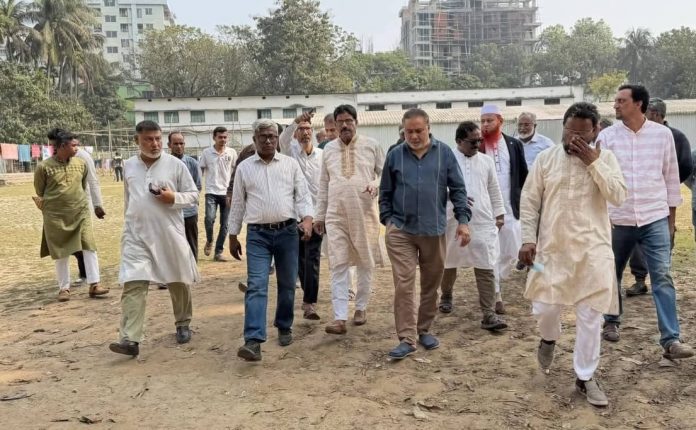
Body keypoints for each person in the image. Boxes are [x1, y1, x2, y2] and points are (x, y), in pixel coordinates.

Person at [519, 102, 627, 407]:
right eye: (570, 131)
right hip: (551, 250)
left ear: (596, 131)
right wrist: (527, 239)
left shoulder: (606, 159)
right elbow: (529, 201)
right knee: (544, 308)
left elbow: (618, 196)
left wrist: (594, 163)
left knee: (591, 315)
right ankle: (549, 337)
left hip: (593, 252)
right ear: (563, 128)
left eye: (582, 133)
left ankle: (585, 376)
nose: (575, 138)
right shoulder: (546, 159)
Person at [600, 84, 693, 360]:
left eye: (621, 101)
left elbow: (671, 178)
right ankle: (611, 320)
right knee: (611, 273)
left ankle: (671, 339)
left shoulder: (662, 135)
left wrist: (671, 222)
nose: (615, 105)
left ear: (639, 103)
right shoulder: (607, 137)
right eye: (616, 101)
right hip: (618, 218)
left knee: (662, 276)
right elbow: (599, 180)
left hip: (654, 217)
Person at [380, 109, 472, 359]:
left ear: (429, 128)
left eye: (418, 131)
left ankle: (424, 330)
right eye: (408, 131)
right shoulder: (395, 155)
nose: (413, 136)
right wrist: (388, 220)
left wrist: (463, 221)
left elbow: (458, 190)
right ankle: (407, 338)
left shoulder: (444, 154)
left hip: (433, 230)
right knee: (404, 283)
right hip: (401, 230)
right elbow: (385, 191)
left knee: (431, 283)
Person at [109, 121, 199, 357]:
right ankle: (130, 338)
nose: (155, 144)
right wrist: (128, 224)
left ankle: (183, 323)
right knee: (133, 282)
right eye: (148, 139)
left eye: (158, 138)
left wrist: (173, 198)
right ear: (137, 141)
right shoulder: (129, 165)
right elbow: (129, 199)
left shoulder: (175, 165)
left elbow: (193, 195)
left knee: (178, 279)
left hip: (168, 232)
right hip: (136, 234)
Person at [228, 119, 314, 361]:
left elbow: (302, 196)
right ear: (254, 140)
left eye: (272, 136)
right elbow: (238, 204)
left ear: (278, 139)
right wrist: (232, 236)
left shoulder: (290, 165)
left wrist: (307, 219)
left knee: (287, 284)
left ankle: (284, 325)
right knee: (256, 285)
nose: (268, 141)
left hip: (287, 233)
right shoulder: (244, 168)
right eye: (263, 136)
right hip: (258, 235)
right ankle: (253, 340)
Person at [315, 104, 385, 335]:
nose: (345, 125)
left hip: (364, 213)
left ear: (356, 122)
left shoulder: (371, 145)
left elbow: (384, 174)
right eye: (340, 122)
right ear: (334, 125)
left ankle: (361, 307)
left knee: (365, 261)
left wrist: (375, 184)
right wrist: (319, 216)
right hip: (335, 214)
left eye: (349, 121)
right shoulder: (328, 150)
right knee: (338, 263)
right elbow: (323, 184)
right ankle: (339, 317)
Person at [439, 121, 508, 331]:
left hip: (482, 220)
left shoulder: (486, 161)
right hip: (452, 219)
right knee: (449, 261)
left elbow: (494, 189)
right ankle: (446, 295)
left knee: (486, 264)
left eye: (479, 140)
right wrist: (450, 195)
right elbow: (436, 187)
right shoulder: (446, 159)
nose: (478, 144)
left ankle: (489, 314)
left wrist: (499, 214)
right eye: (473, 141)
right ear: (459, 141)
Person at [625, 97, 693, 297]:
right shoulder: (637, 135)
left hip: (663, 200)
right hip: (638, 199)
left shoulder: (676, 137)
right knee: (636, 238)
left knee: (664, 236)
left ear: (655, 114)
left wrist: (666, 184)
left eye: (645, 112)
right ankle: (640, 280)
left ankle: (662, 278)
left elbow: (686, 166)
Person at [34, 131, 109, 302]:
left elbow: (84, 185)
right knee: (61, 251)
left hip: (80, 212)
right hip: (55, 216)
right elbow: (40, 190)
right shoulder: (43, 167)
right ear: (62, 146)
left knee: (89, 246)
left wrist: (97, 205)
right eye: (73, 145)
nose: (76, 148)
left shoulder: (81, 163)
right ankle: (64, 288)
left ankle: (95, 284)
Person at [479, 105, 528, 314]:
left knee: (512, 252)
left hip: (511, 208)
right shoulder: (477, 145)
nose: (485, 125)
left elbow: (523, 176)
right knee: (491, 253)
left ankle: (497, 279)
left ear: (500, 121)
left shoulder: (514, 144)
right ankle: (496, 294)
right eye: (482, 121)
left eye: (489, 120)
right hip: (486, 211)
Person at [280, 112, 324, 320]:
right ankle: (307, 298)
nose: (305, 132)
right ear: (296, 134)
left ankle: (309, 303)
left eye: (308, 129)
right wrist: (296, 121)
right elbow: (283, 138)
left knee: (312, 259)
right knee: (299, 259)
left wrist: (322, 215)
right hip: (295, 215)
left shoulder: (322, 156)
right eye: (301, 129)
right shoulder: (290, 152)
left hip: (316, 215)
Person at [200, 126, 238, 262]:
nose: (223, 139)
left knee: (225, 224)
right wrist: (197, 186)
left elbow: (236, 171)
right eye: (220, 137)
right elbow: (201, 169)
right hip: (211, 191)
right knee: (209, 219)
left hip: (227, 193)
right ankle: (209, 240)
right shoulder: (206, 153)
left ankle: (218, 252)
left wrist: (235, 189)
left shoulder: (232, 152)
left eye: (225, 137)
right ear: (214, 138)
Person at [168, 131, 203, 260]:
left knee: (191, 242)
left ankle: (193, 267)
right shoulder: (165, 163)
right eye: (175, 143)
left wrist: (182, 199)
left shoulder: (192, 163)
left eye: (181, 143)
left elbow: (198, 186)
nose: (179, 146)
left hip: (189, 212)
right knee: (173, 244)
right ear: (169, 145)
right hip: (170, 211)